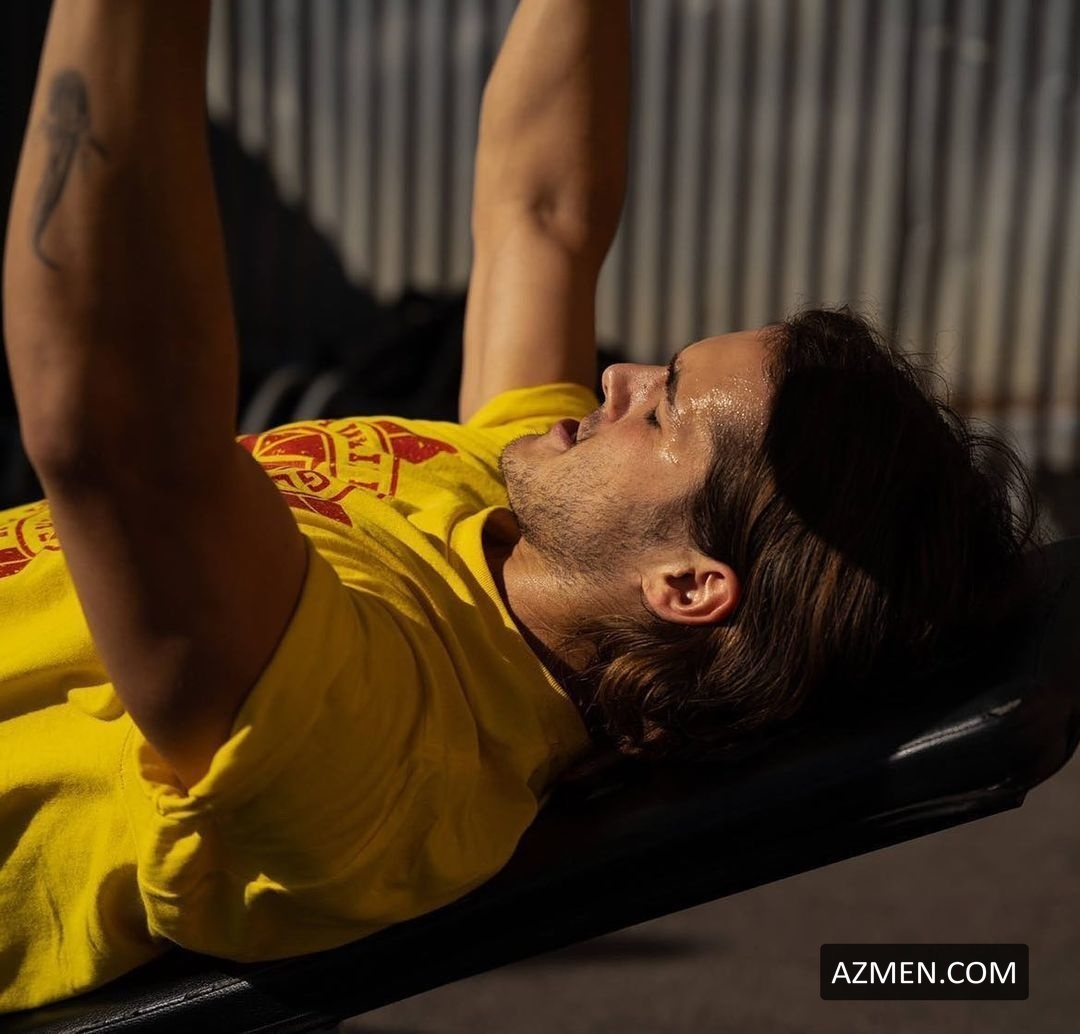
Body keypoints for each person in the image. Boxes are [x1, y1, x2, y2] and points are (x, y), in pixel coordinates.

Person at [0, 0, 1040, 1014]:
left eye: (662, 407)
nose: (619, 375)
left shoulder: (394, 749)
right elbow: (542, 215)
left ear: (686, 584)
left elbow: (118, 430)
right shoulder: (520, 502)